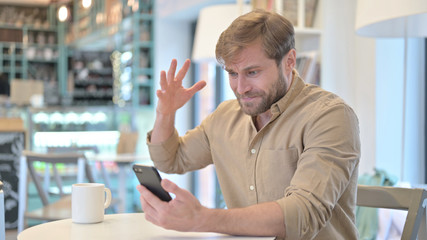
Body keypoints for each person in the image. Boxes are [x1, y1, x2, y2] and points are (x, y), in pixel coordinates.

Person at [137, 9, 360, 240]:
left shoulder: (330, 116)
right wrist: (165, 113)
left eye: (252, 72)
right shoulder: (225, 116)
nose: (240, 87)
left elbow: (303, 214)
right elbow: (171, 159)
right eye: (232, 73)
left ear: (289, 61)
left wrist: (202, 218)